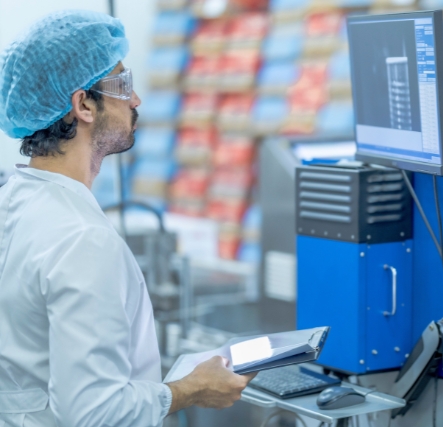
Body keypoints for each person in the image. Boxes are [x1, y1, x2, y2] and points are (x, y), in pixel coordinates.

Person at [0, 10, 255, 427]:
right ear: (83, 105)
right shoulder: (81, 238)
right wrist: (191, 389)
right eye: (122, 85)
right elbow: (92, 411)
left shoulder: (12, 202)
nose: (135, 100)